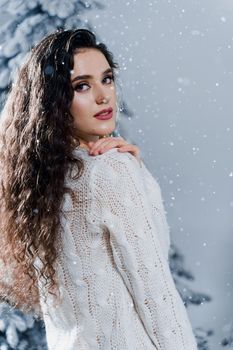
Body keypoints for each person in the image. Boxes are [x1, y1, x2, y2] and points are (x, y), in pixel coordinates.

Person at [0, 29, 198, 349]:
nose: (103, 96)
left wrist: (138, 176)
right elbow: (156, 293)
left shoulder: (39, 184)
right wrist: (135, 174)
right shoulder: (108, 170)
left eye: (107, 79)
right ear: (53, 101)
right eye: (82, 86)